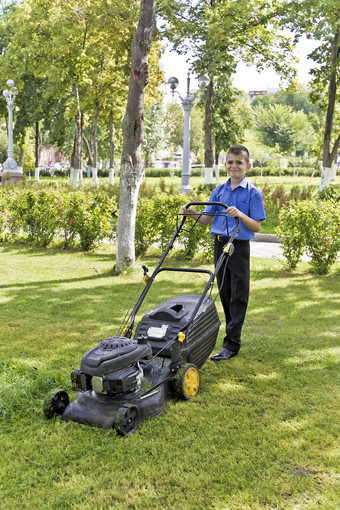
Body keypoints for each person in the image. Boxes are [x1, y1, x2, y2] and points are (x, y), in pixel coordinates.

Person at [180, 145, 266, 361]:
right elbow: (206, 220)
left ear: (248, 166)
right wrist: (191, 214)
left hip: (238, 246)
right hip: (220, 245)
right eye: (230, 162)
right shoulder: (219, 191)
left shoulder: (252, 193)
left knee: (238, 295)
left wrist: (239, 215)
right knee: (225, 293)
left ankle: (232, 343)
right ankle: (230, 337)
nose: (234, 166)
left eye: (239, 162)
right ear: (225, 165)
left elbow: (256, 226)